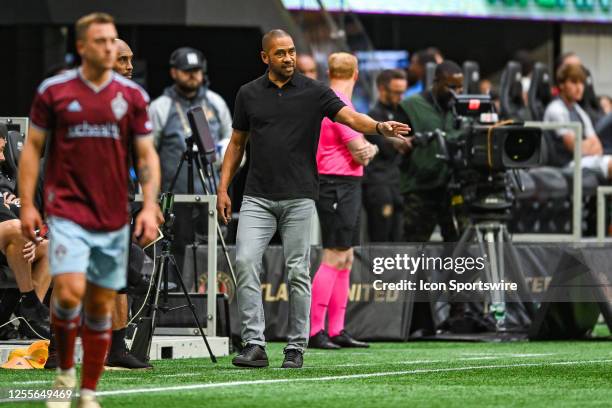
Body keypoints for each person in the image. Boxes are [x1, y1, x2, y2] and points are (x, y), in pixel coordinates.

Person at [217, 29, 410, 369]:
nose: (288, 58)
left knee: (298, 271)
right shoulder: (248, 94)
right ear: (265, 57)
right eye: (280, 53)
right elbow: (236, 144)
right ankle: (254, 344)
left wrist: (379, 127)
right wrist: (222, 189)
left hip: (300, 197)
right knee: (245, 262)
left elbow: (350, 117)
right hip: (257, 197)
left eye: (291, 51)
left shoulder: (314, 92)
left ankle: (296, 346)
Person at [19, 12, 161, 408]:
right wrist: (28, 203)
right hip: (67, 211)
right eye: (101, 41)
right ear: (82, 47)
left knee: (100, 302)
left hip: (113, 214)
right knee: (67, 294)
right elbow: (33, 150)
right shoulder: (54, 91)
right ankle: (65, 373)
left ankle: (88, 391)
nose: (109, 48)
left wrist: (149, 205)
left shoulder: (132, 97)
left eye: (112, 40)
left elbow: (147, 154)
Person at [308, 53, 378, 350]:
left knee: (346, 256)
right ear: (357, 74)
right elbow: (360, 152)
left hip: (346, 184)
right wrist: (372, 147)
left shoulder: (333, 100)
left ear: (327, 71)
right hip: (335, 184)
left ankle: (336, 329)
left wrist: (364, 147)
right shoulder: (339, 105)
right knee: (334, 255)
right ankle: (314, 331)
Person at [149, 46, 232, 194]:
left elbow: (232, 144)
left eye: (196, 70)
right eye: (186, 71)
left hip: (212, 196)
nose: (192, 75)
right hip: (173, 196)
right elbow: (149, 153)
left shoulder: (216, 102)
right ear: (173, 72)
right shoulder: (160, 106)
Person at [400, 60, 464, 242]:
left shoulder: (461, 106)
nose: (456, 92)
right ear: (436, 82)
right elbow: (395, 140)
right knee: (414, 247)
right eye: (451, 87)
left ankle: (454, 272)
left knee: (459, 245)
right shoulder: (411, 106)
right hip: (420, 188)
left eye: (460, 87)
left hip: (454, 186)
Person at [0, 129, 51, 339]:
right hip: (8, 232)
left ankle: (30, 319)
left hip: (8, 240)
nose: (3, 157)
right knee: (15, 230)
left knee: (51, 247)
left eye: (3, 150)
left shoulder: (7, 177)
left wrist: (35, 236)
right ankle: (29, 298)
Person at [363, 69, 410, 242]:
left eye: (403, 92)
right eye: (396, 92)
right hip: (379, 184)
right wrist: (400, 143)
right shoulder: (372, 119)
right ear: (382, 89)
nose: (401, 97)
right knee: (380, 239)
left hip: (399, 184)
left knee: (399, 238)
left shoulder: (403, 113)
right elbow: (387, 149)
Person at [544, 63, 612, 181]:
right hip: (568, 165)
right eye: (574, 82)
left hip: (585, 161)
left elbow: (598, 147)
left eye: (581, 83)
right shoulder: (555, 109)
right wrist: (587, 146)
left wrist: (585, 146)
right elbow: (574, 148)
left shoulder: (579, 111)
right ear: (562, 84)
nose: (579, 87)